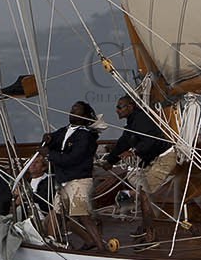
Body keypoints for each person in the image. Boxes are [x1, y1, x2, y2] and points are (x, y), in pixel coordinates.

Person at [102, 95, 176, 242]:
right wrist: (110, 161)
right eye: (117, 107)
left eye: (120, 107)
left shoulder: (141, 119)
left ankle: (151, 236)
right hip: (153, 160)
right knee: (142, 192)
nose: (117, 110)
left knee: (144, 194)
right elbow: (123, 143)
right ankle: (145, 227)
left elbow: (151, 140)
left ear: (130, 106)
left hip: (164, 158)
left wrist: (134, 152)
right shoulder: (132, 122)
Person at [45, 101, 106, 251]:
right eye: (72, 108)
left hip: (78, 180)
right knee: (58, 212)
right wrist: (46, 138)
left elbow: (73, 159)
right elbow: (51, 140)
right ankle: (52, 243)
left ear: (84, 116)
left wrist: (49, 154)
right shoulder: (65, 130)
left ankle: (101, 248)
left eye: (76, 110)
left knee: (83, 215)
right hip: (64, 180)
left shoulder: (85, 136)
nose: (72, 111)